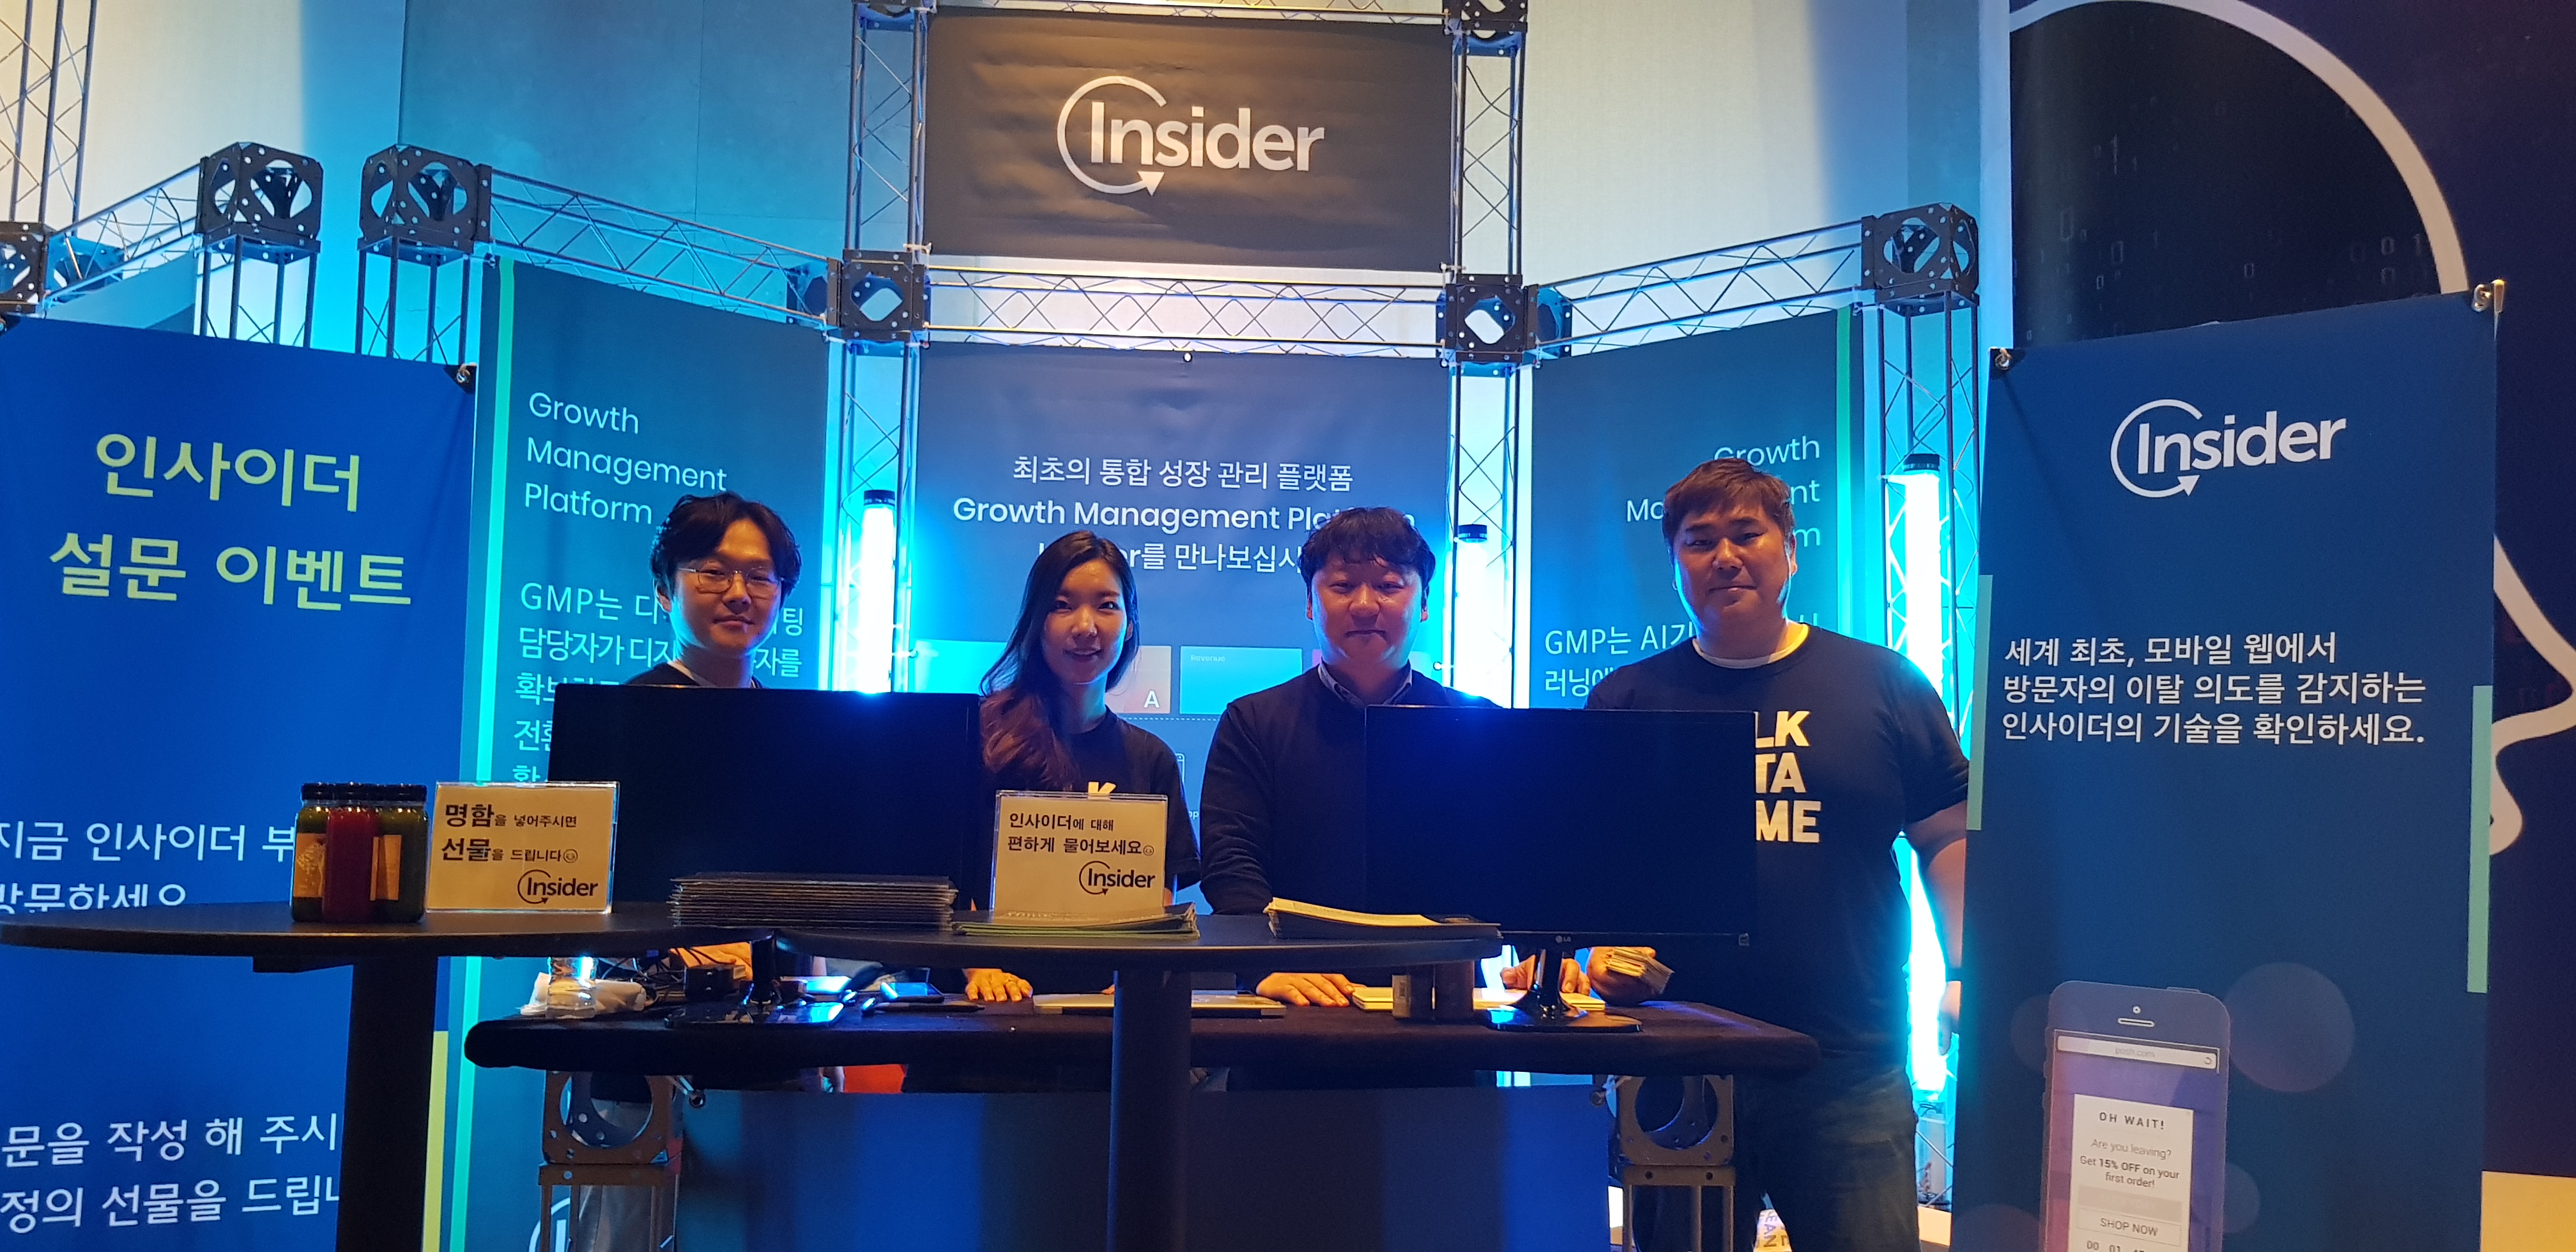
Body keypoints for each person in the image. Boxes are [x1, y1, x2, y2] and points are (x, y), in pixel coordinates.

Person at [1586, 458, 1968, 1252]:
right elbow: (1592, 863)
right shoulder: (1628, 700)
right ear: (1675, 564)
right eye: (1699, 541)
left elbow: (1946, 834)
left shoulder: (1884, 684)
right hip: (1675, 1057)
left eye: (1746, 534)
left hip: (1845, 1061)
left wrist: (1967, 969)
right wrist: (1595, 953)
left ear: (1791, 551)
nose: (1724, 557)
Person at [1196, 507, 1644, 1008]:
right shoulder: (1253, 721)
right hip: (1296, 997)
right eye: (1342, 586)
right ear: (1309, 602)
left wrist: (1541, 956)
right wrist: (1267, 966)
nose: (1364, 605)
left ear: (1425, 602)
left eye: (1389, 586)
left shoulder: (1479, 725)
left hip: (1449, 1006)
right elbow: (1231, 862)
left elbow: (1522, 861)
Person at [958, 531, 1200, 1002]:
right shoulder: (978, 740)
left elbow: (1157, 897)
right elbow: (949, 879)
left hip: (1107, 1014)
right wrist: (979, 968)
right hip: (986, 1006)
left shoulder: (1152, 758)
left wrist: (1133, 977)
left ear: (1129, 624)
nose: (1086, 626)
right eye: (1062, 606)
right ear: (1035, 622)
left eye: (1107, 606)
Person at [627, 491, 801, 689]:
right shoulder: (627, 704)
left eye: (759, 577)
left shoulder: (786, 708)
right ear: (664, 592)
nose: (739, 594)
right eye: (715, 572)